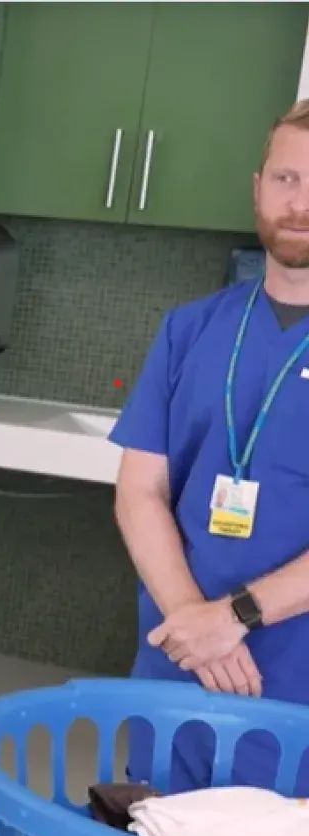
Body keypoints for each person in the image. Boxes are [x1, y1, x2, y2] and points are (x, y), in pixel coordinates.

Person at [111, 100, 309, 797]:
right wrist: (192, 622)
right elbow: (139, 491)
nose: (301, 204)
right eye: (287, 179)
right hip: (179, 663)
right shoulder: (190, 329)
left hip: (292, 679)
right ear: (257, 186)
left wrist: (234, 620)